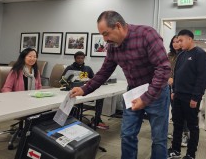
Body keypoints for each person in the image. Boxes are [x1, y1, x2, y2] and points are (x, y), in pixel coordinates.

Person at [70, 10, 171, 159]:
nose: (105, 39)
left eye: (106, 34)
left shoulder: (147, 35)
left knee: (158, 138)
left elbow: (163, 68)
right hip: (133, 92)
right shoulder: (112, 46)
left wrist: (146, 98)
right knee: (127, 134)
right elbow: (104, 72)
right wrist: (84, 89)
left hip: (156, 93)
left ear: (118, 26)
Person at [168, 29, 206, 159]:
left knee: (192, 126)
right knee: (177, 123)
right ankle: (175, 149)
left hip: (191, 97)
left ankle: (191, 154)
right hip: (178, 96)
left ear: (190, 39)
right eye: (177, 41)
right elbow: (176, 75)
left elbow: (202, 79)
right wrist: (174, 91)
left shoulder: (200, 55)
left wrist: (196, 97)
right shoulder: (181, 55)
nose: (179, 43)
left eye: (181, 40)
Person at [62, 51, 109, 130]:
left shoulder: (87, 68)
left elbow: (93, 79)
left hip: (85, 91)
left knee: (100, 98)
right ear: (75, 59)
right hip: (73, 91)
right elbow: (62, 80)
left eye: (82, 58)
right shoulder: (70, 68)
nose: (80, 60)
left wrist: (88, 80)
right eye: (78, 58)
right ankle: (72, 119)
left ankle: (97, 120)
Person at [167, 35, 190, 147]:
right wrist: (168, 78)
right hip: (170, 87)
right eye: (174, 42)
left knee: (183, 113)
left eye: (178, 41)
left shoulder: (185, 54)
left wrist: (174, 79)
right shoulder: (169, 55)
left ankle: (185, 135)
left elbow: (185, 72)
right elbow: (165, 69)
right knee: (175, 112)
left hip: (181, 87)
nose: (176, 44)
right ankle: (177, 133)